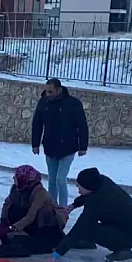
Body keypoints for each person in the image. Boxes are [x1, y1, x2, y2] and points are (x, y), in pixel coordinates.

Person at [41, 167, 132, 262]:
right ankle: (88, 241)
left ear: (88, 187)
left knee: (87, 227)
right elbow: (88, 195)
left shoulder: (98, 201)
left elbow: (80, 226)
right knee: (89, 227)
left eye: (79, 186)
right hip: (131, 226)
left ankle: (123, 250)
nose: (77, 189)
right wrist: (74, 204)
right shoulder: (101, 182)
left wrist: (57, 254)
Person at [31, 78, 89, 207]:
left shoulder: (73, 104)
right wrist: (35, 143)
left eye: (51, 91)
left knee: (60, 179)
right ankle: (52, 206)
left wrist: (83, 147)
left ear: (59, 90)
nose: (48, 94)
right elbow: (37, 123)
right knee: (52, 180)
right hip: (50, 146)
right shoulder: (43, 102)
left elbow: (82, 125)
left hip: (68, 147)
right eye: (46, 91)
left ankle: (62, 209)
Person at [0, 165, 68, 257]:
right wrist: (3, 221)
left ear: (23, 179)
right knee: (13, 208)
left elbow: (31, 215)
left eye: (16, 176)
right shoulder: (17, 189)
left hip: (47, 222)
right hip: (31, 219)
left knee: (44, 211)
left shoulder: (39, 192)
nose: (13, 178)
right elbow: (7, 204)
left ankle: (43, 238)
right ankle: (26, 233)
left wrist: (12, 228)